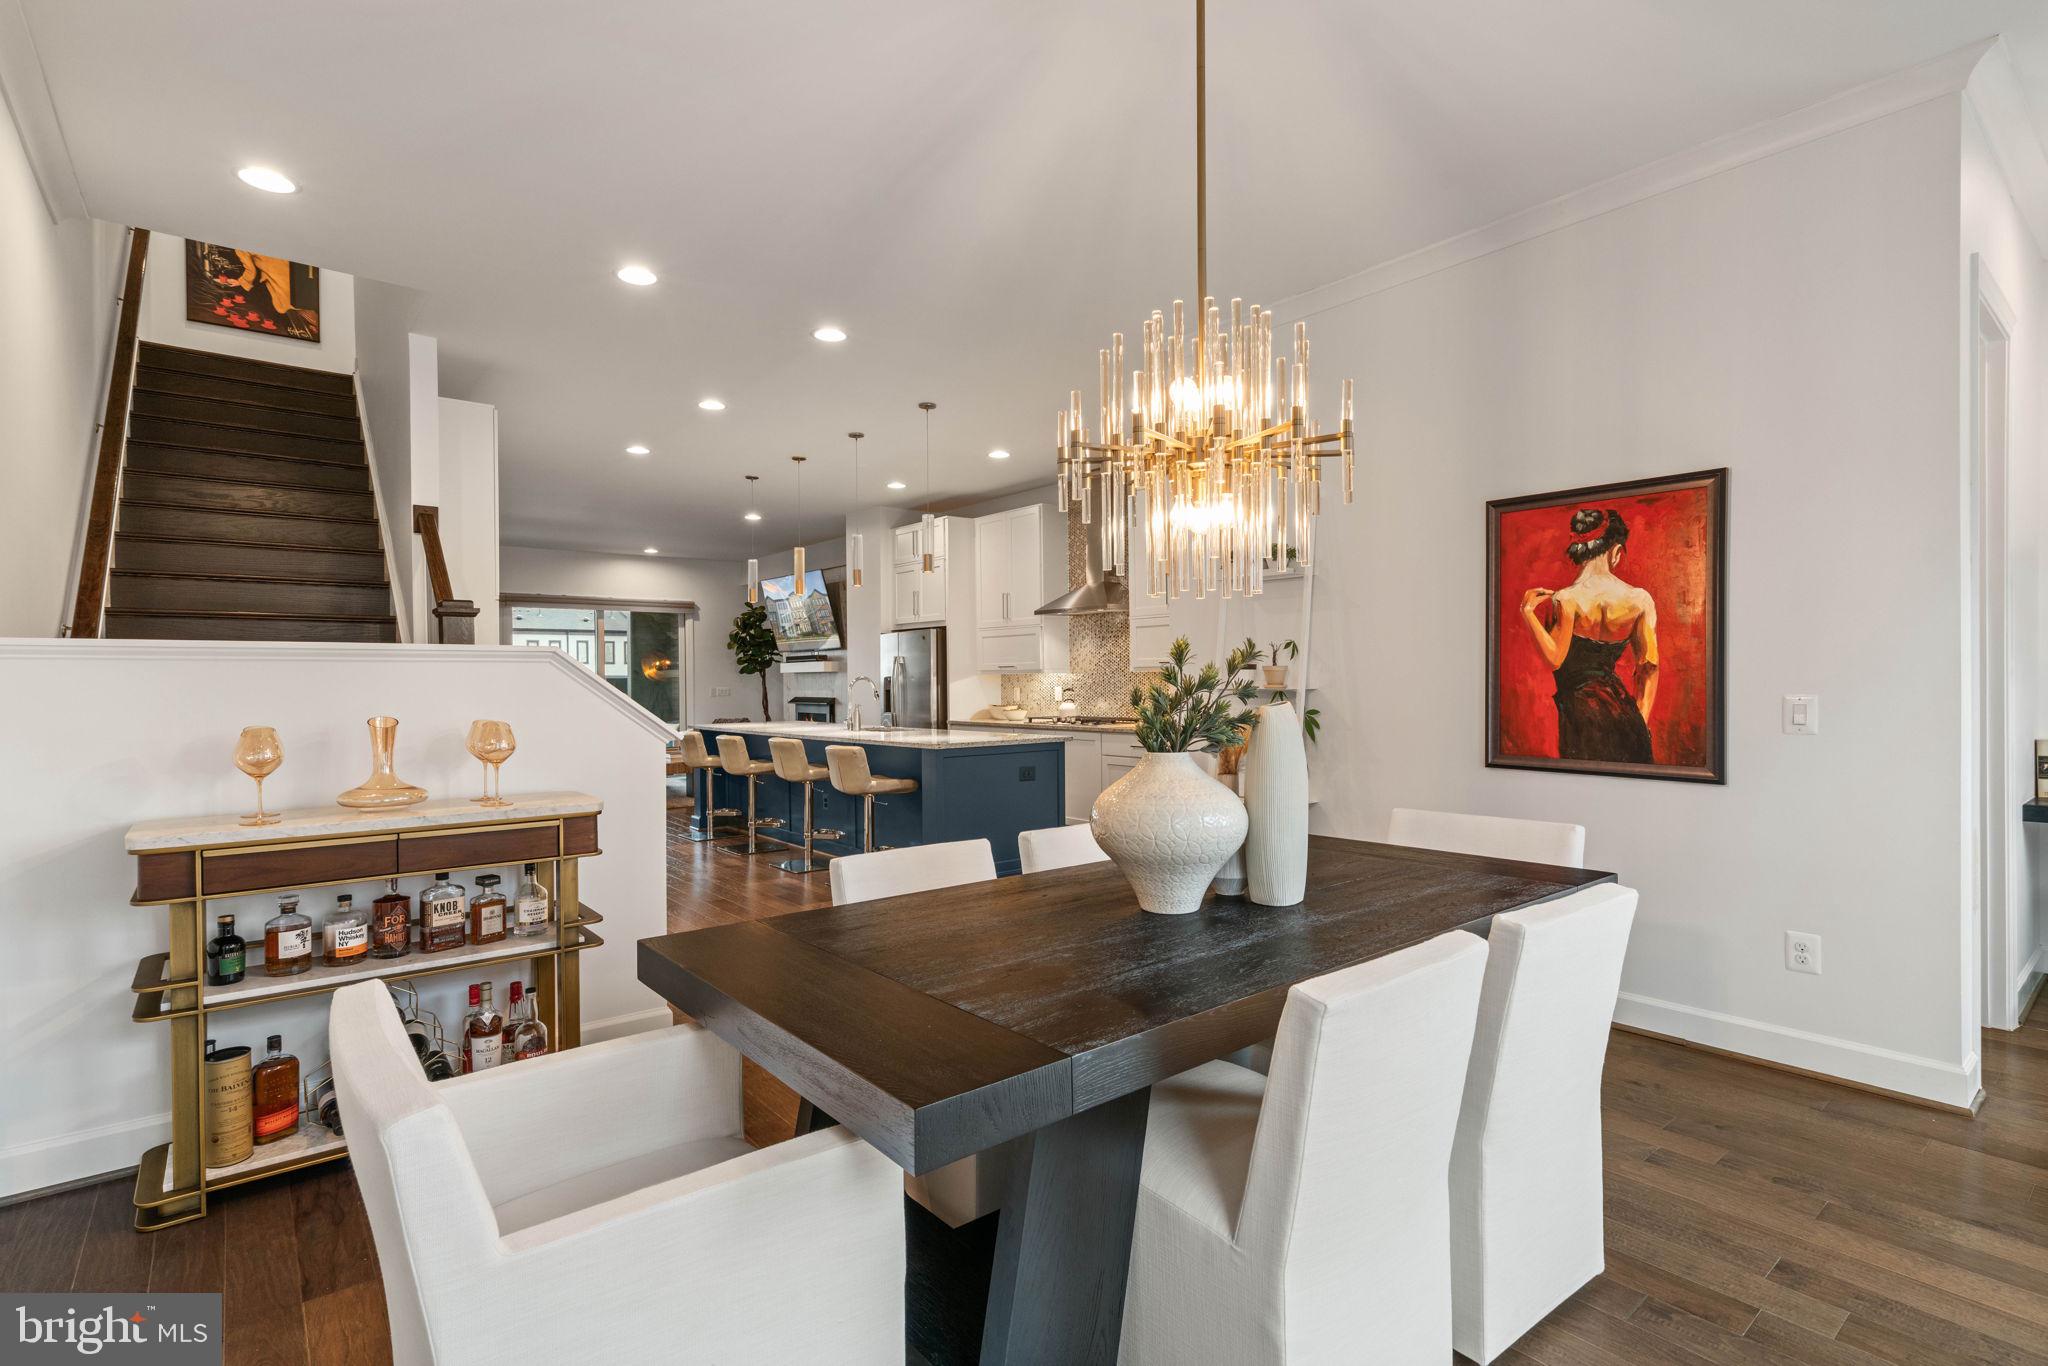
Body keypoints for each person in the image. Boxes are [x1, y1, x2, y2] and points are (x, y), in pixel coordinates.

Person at [1518, 508, 1658, 763]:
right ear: (1615, 550)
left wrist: (1527, 612)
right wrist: (1640, 720)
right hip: (1627, 716)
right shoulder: (1640, 599)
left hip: (1581, 717)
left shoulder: (1566, 600)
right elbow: (1649, 667)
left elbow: (1555, 659)